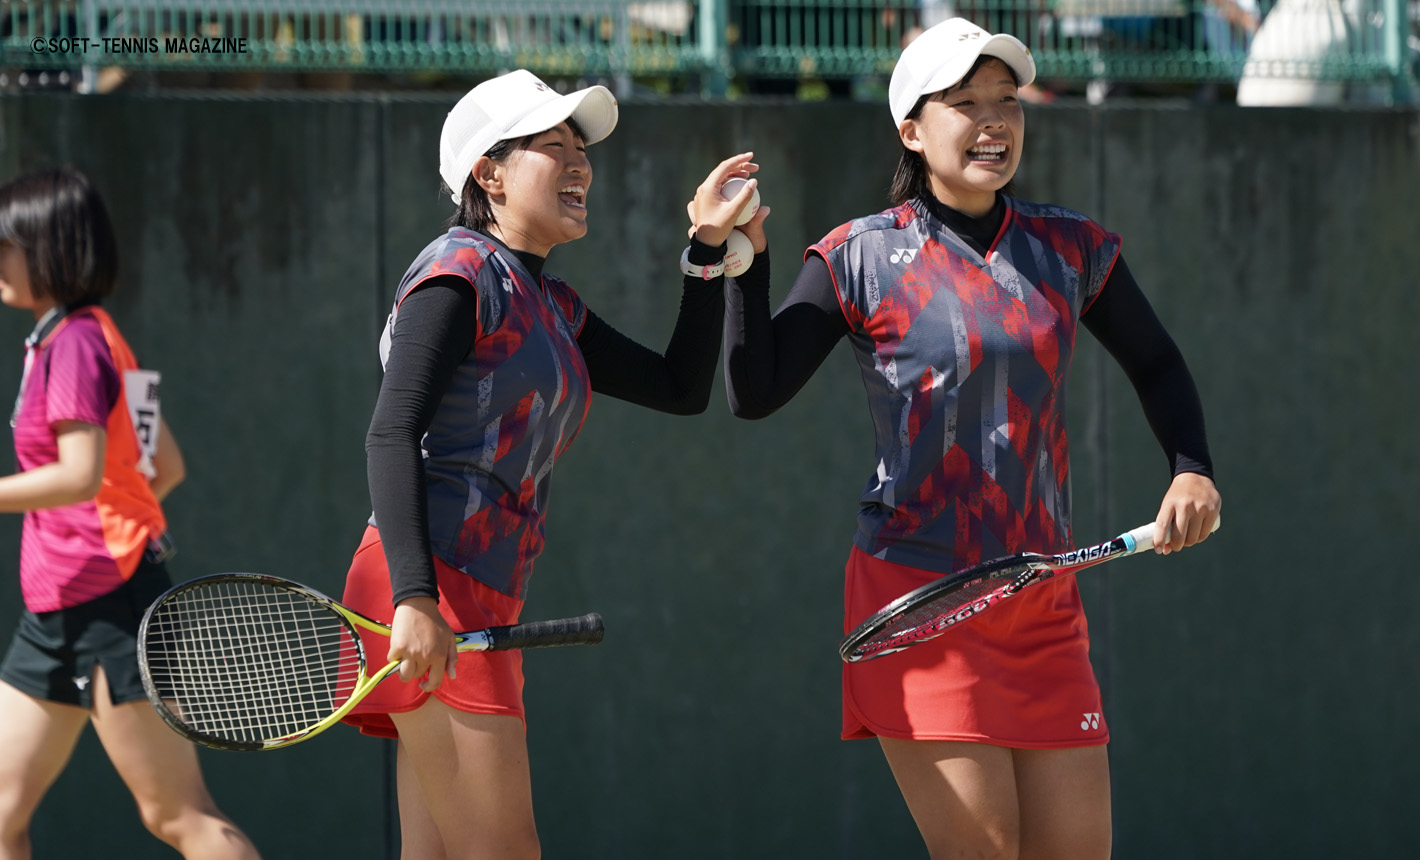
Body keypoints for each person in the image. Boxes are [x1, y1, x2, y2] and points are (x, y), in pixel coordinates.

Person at [722, 18, 1221, 860]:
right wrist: (740, 263)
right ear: (912, 130)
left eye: (1007, 100)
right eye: (965, 103)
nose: (994, 121)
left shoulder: (1069, 246)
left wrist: (1191, 468)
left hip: (1043, 600)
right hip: (918, 600)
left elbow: (1158, 362)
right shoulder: (857, 255)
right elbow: (755, 391)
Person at [339, 69, 755, 859]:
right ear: (489, 174)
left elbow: (679, 387)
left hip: (473, 593)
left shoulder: (551, 302)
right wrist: (415, 598)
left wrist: (706, 251)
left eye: (580, 148)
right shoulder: (456, 275)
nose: (578, 163)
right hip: (425, 585)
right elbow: (390, 434)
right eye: (551, 146)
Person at [0, 167, 261, 860]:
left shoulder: (76, 345)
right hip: (59, 608)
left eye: (5, 245)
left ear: (49, 247)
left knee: (178, 817)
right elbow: (162, 466)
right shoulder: (85, 337)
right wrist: (111, 529)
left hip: (109, 607)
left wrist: (107, 540)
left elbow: (80, 474)